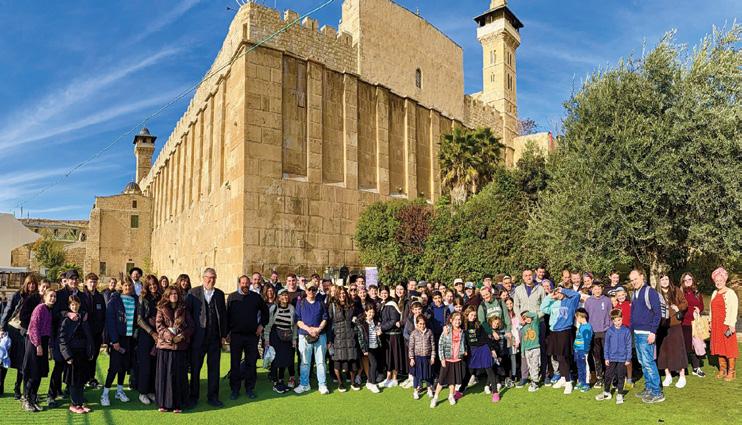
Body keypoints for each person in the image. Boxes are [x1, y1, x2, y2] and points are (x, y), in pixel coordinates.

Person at [186, 268, 227, 407]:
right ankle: (193, 397)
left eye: (214, 278)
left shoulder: (219, 294)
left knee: (214, 369)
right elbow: (188, 315)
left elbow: (223, 316)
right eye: (209, 277)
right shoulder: (193, 293)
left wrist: (223, 335)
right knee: (195, 368)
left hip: (214, 338)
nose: (211, 280)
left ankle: (213, 397)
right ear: (203, 278)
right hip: (198, 338)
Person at [226, 273, 269, 400]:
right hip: (236, 336)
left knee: (251, 363)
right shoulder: (232, 297)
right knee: (235, 363)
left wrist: (261, 325)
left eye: (247, 283)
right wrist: (227, 333)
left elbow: (265, 312)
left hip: (251, 336)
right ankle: (235, 389)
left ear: (250, 284)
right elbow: (227, 316)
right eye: (243, 283)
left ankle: (249, 388)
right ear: (239, 284)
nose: (245, 285)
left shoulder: (256, 297)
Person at [155, 286, 194, 413]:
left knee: (178, 375)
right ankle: (163, 404)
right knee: (164, 375)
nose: (174, 296)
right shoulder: (161, 308)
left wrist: (181, 336)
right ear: (167, 295)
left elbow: (191, 327)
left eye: (176, 293)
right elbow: (159, 326)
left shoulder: (184, 309)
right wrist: (170, 337)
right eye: (171, 294)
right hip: (165, 346)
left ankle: (178, 404)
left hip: (179, 347)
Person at [0, 275, 39, 400]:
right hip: (12, 328)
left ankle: (17, 388)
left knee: (22, 362)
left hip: (24, 331)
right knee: (4, 359)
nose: (31, 286)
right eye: (29, 283)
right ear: (25, 284)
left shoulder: (37, 298)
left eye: (33, 284)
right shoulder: (17, 295)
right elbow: (8, 310)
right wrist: (2, 328)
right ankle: (0, 385)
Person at [629, 268, 664, 403]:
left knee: (648, 362)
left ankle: (657, 392)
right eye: (632, 280)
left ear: (642, 277)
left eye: (636, 279)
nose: (634, 282)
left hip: (647, 334)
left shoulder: (650, 292)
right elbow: (633, 315)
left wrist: (653, 332)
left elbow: (657, 314)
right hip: (637, 333)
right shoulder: (634, 293)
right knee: (642, 363)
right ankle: (649, 387)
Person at [101, 278, 137, 406]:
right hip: (118, 338)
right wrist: (114, 340)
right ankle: (105, 393)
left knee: (124, 366)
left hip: (129, 338)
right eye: (125, 285)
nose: (128, 287)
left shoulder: (135, 300)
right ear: (121, 287)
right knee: (114, 367)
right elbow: (110, 322)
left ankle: (119, 391)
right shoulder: (114, 300)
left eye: (130, 285)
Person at [540, 286, 581, 394]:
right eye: (556, 293)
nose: (558, 294)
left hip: (564, 331)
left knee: (563, 357)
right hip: (554, 332)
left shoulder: (570, 301)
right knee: (557, 357)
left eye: (559, 292)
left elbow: (577, 295)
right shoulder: (554, 303)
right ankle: (563, 378)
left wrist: (562, 290)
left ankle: (568, 382)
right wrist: (550, 296)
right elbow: (543, 308)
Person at [58, 295, 94, 414]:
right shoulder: (66, 320)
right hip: (72, 354)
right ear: (69, 306)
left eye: (76, 304)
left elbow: (88, 336)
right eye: (72, 304)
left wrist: (90, 351)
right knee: (73, 380)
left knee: (81, 379)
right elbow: (62, 339)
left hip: (82, 353)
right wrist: (67, 356)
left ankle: (80, 402)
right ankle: (74, 404)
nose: (75, 306)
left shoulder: (83, 318)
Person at [22, 288, 56, 412]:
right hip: (35, 343)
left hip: (44, 342)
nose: (53, 298)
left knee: (39, 373)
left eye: (54, 296)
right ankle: (26, 400)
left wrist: (48, 346)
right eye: (51, 296)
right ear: (44, 297)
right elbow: (33, 327)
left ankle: (33, 399)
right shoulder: (40, 308)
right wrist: (38, 345)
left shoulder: (49, 310)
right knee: (33, 372)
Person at [293, 279, 329, 395]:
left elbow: (325, 318)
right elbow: (298, 320)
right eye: (309, 289)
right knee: (304, 362)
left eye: (314, 289)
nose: (311, 292)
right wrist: (309, 329)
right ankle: (304, 384)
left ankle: (322, 384)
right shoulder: (301, 303)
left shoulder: (320, 303)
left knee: (320, 362)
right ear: (306, 290)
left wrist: (318, 329)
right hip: (304, 335)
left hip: (320, 335)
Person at [460, 306, 499, 402]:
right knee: (469, 371)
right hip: (472, 350)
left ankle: (495, 392)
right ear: (467, 315)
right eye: (471, 315)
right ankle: (460, 391)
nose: (473, 317)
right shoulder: (463, 325)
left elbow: (486, 338)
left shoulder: (479, 325)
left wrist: (492, 349)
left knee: (489, 369)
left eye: (475, 315)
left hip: (483, 348)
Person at [656, 275, 688, 389]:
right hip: (662, 325)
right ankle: (668, 375)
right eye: (662, 280)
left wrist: (678, 307)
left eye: (666, 279)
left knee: (678, 349)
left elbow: (685, 303)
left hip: (675, 324)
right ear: (659, 281)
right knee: (664, 351)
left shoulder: (676, 290)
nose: (664, 281)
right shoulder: (656, 294)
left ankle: (682, 375)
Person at [430, 312, 466, 408]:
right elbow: (440, 345)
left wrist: (464, 351)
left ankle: (451, 396)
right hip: (447, 359)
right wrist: (442, 359)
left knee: (452, 380)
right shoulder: (446, 330)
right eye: (456, 319)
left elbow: (463, 344)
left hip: (457, 359)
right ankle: (435, 398)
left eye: (459, 319)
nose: (458, 321)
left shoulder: (462, 332)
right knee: (441, 380)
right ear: (451, 320)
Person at [595, 308, 631, 405]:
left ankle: (620, 394)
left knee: (621, 376)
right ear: (612, 321)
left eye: (619, 320)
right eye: (615, 321)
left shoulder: (626, 331)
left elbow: (629, 345)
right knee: (608, 375)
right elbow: (606, 345)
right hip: (611, 357)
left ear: (622, 318)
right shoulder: (609, 331)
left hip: (622, 358)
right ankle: (606, 392)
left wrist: (628, 358)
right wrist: (606, 357)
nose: (617, 322)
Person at [709, 267, 738, 381]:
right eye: (716, 280)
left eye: (720, 280)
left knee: (729, 347)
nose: (718, 282)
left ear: (725, 280)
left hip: (726, 324)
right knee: (719, 347)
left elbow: (734, 309)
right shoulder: (714, 293)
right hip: (716, 325)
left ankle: (732, 372)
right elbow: (711, 309)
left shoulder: (730, 293)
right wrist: (710, 322)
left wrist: (732, 324)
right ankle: (723, 370)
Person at [264, 288, 296, 393]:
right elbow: (268, 325)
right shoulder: (274, 308)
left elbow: (294, 325)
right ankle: (275, 382)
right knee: (275, 359)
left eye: (286, 295)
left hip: (287, 337)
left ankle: (281, 381)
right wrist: (267, 339)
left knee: (284, 359)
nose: (285, 297)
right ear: (279, 297)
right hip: (275, 336)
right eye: (282, 295)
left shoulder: (291, 308)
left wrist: (294, 339)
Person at [135, 275, 161, 405]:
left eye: (154, 284)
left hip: (159, 333)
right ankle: (143, 392)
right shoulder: (142, 298)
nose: (152, 286)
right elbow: (139, 319)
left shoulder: (161, 297)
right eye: (150, 285)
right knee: (145, 364)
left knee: (154, 364)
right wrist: (152, 332)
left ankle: (151, 391)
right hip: (146, 335)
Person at [328, 287, 359, 392]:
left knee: (352, 361)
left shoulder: (352, 305)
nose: (342, 295)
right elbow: (329, 323)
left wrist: (356, 319)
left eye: (344, 293)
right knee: (337, 362)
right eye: (340, 293)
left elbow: (360, 315)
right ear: (337, 295)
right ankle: (340, 383)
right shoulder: (332, 306)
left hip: (350, 336)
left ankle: (353, 382)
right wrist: (329, 340)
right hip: (337, 337)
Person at [584, 282, 611, 388]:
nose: (597, 291)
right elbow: (586, 317)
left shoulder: (607, 300)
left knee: (607, 355)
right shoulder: (588, 301)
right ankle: (599, 378)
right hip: (594, 332)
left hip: (605, 331)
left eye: (599, 288)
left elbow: (610, 315)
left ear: (602, 289)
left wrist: (610, 328)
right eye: (595, 289)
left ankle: (609, 376)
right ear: (592, 290)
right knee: (597, 356)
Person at [81, 273, 106, 389]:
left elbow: (103, 314)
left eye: (95, 281)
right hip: (84, 334)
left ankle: (91, 378)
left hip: (97, 333)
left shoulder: (100, 297)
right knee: (84, 357)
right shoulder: (81, 296)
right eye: (91, 281)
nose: (93, 284)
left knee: (94, 357)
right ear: (86, 282)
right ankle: (83, 379)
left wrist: (102, 331)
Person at [680, 272, 705, 377]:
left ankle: (696, 368)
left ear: (692, 280)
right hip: (684, 323)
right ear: (683, 281)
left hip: (696, 323)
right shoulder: (680, 292)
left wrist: (699, 309)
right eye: (685, 280)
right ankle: (683, 368)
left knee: (697, 346)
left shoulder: (697, 292)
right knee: (686, 346)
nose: (688, 281)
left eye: (689, 279)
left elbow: (702, 305)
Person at [379, 286, 405, 388]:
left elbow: (393, 321)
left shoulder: (392, 304)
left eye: (385, 293)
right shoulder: (383, 304)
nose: (384, 295)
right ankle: (388, 377)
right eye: (382, 293)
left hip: (394, 335)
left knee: (394, 357)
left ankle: (394, 378)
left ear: (388, 293)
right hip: (387, 335)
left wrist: (381, 328)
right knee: (388, 357)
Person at [609, 285, 633, 386]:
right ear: (616, 297)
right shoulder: (616, 308)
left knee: (628, 356)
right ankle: (621, 378)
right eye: (619, 296)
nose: (621, 297)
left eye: (622, 295)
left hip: (628, 332)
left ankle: (630, 378)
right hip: (618, 334)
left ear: (625, 295)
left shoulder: (630, 305)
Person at [356, 303, 383, 393]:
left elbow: (378, 332)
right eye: (370, 312)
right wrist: (364, 350)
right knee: (374, 364)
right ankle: (373, 384)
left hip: (376, 346)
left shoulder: (376, 322)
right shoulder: (362, 324)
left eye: (373, 312)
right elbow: (360, 338)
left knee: (373, 365)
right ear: (366, 312)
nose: (371, 314)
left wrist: (379, 333)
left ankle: (370, 382)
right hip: (368, 347)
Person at [408, 314, 435, 400]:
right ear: (417, 324)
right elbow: (411, 347)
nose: (422, 325)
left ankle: (429, 389)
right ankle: (416, 391)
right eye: (420, 323)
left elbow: (433, 345)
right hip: (417, 358)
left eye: (423, 323)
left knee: (428, 375)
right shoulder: (413, 333)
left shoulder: (429, 332)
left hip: (427, 357)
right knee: (417, 375)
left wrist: (433, 357)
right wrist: (411, 358)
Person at [519, 310, 541, 392]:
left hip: (535, 348)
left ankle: (535, 382)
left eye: (528, 317)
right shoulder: (523, 329)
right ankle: (533, 380)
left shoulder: (534, 324)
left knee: (535, 365)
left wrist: (527, 315)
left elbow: (535, 315)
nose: (527, 319)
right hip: (527, 350)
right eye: (525, 318)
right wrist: (522, 351)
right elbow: (523, 341)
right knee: (530, 367)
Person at [573, 308, 593, 392]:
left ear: (580, 317)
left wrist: (585, 351)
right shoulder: (581, 326)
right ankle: (581, 381)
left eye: (576, 317)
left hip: (583, 351)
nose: (576, 319)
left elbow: (587, 340)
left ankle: (586, 384)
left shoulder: (587, 327)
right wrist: (575, 347)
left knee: (585, 367)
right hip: (577, 350)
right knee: (579, 367)